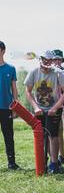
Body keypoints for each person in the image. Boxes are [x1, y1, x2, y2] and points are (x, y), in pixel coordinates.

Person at [24, 50, 64, 174]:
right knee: (42, 135)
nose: (46, 62)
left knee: (53, 135)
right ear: (41, 59)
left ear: (51, 61)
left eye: (49, 60)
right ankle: (43, 160)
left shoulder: (58, 73)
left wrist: (56, 107)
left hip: (54, 108)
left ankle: (54, 164)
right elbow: (28, 91)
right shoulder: (34, 72)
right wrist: (35, 107)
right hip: (39, 108)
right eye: (44, 59)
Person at [0, 40, 19, 170]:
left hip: (6, 108)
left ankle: (11, 163)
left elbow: (14, 89)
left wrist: (15, 107)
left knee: (8, 136)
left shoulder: (11, 69)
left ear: (3, 51)